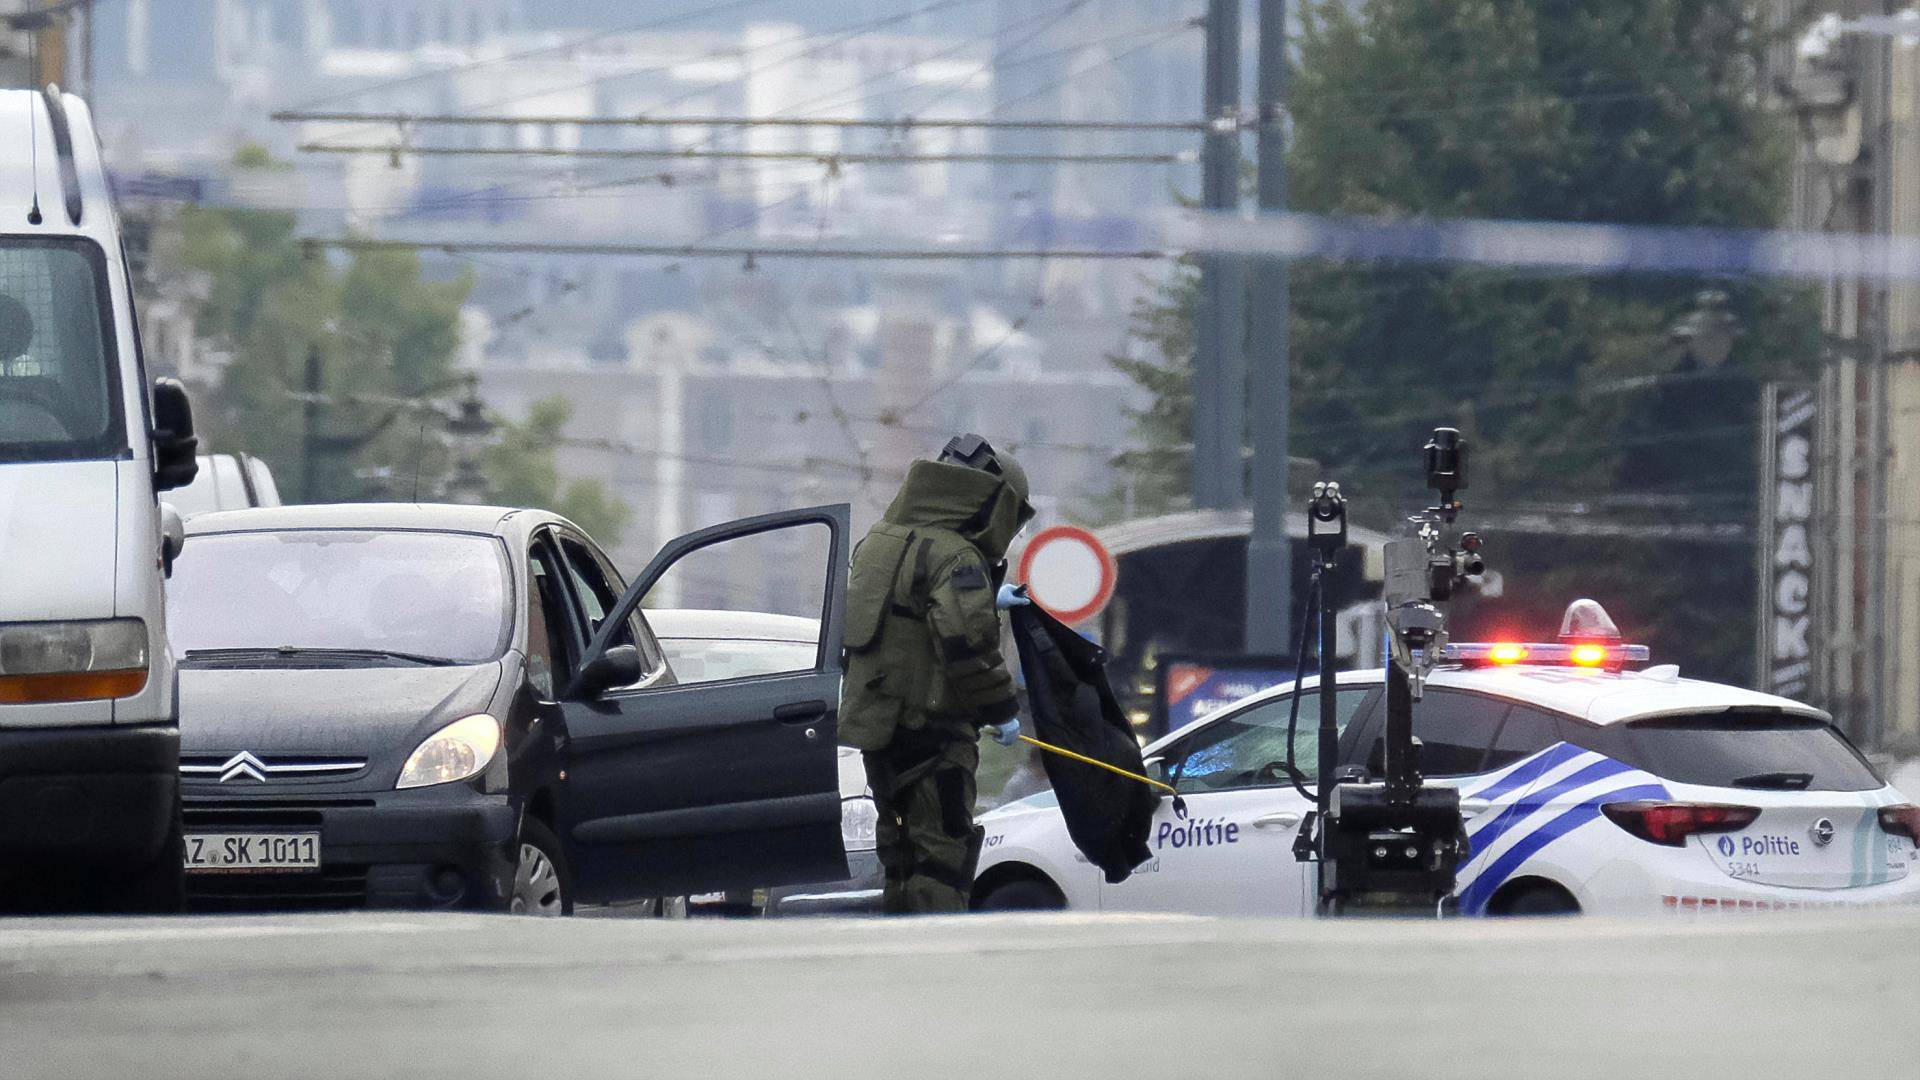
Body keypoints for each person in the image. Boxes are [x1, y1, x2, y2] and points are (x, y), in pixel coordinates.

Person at [839, 433, 1036, 913]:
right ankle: (934, 952)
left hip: (881, 731)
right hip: (935, 736)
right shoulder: (957, 556)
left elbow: (906, 613)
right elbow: (966, 645)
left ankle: (897, 947)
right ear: (992, 504)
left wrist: (987, 598)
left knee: (898, 851)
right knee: (942, 855)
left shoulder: (879, 541)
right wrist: (1002, 709)